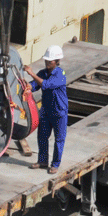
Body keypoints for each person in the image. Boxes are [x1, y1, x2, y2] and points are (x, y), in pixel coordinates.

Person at [24, 45, 68, 173]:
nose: (48, 62)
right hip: (46, 110)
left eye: (50, 61)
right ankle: (42, 161)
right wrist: (28, 86)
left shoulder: (60, 74)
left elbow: (45, 84)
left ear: (57, 61)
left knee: (59, 139)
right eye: (47, 60)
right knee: (42, 136)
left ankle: (55, 164)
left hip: (59, 112)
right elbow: (35, 85)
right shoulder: (43, 73)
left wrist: (31, 73)